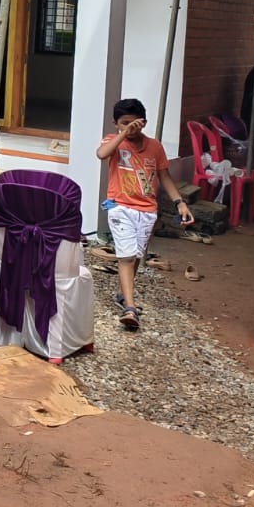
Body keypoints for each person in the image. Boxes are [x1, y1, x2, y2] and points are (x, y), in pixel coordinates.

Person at [96, 98, 194, 332]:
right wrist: (123, 133)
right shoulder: (113, 141)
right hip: (120, 207)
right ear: (115, 123)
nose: (130, 128)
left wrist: (180, 202)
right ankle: (130, 308)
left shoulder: (155, 147)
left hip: (147, 210)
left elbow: (164, 176)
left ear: (144, 123)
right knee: (127, 257)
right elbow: (101, 154)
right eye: (124, 123)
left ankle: (123, 294)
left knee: (136, 255)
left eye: (134, 123)